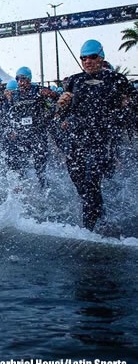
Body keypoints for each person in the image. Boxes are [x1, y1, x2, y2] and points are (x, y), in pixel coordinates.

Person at [57, 39, 133, 231]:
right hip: (77, 140)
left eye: (92, 57)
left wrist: (124, 107)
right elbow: (61, 113)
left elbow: (133, 104)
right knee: (80, 184)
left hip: (102, 140)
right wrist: (62, 104)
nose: (87, 61)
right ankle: (99, 214)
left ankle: (88, 230)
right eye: (83, 58)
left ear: (101, 57)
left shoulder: (116, 79)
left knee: (91, 182)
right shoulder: (75, 80)